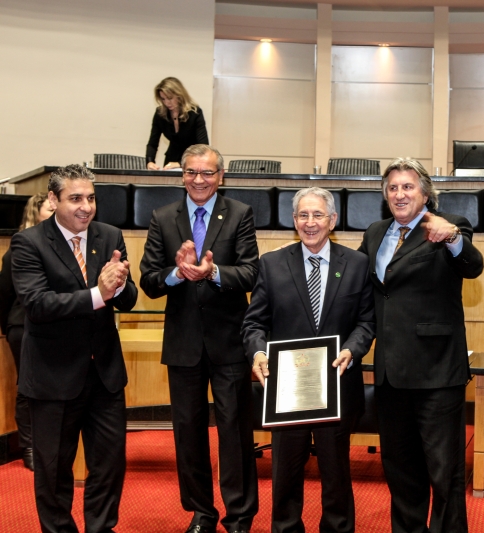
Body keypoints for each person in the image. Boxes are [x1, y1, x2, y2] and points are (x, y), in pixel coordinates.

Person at [357, 157, 484, 533]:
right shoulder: (375, 232)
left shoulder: (450, 226)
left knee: (444, 473)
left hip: (436, 371)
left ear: (426, 193)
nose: (400, 194)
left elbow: (473, 265)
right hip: (390, 373)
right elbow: (363, 292)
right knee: (401, 470)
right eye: (393, 188)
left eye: (408, 187)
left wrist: (454, 239)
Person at [139, 144, 259, 533]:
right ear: (182, 176)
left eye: (207, 173)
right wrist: (176, 274)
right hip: (183, 343)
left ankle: (239, 515)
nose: (199, 180)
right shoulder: (162, 218)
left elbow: (251, 274)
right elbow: (149, 281)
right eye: (191, 172)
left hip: (229, 343)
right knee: (187, 433)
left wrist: (212, 273)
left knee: (235, 432)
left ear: (221, 176)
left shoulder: (240, 214)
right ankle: (201, 512)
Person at [10, 165, 137, 533]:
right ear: (53, 199)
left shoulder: (109, 234)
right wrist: (100, 293)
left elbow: (127, 300)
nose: (86, 207)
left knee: (109, 465)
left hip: (105, 375)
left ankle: (101, 528)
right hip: (53, 377)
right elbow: (38, 305)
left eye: (91, 198)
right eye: (75, 198)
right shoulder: (29, 243)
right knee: (53, 470)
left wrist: (120, 284)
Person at [241, 187, 375, 533]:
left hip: (337, 384)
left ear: (333, 220)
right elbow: (254, 322)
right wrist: (257, 351)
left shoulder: (357, 264)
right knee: (285, 472)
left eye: (318, 215)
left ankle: (338, 528)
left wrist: (353, 348)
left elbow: (366, 321)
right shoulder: (271, 264)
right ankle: (285, 528)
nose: (310, 223)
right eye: (303, 215)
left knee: (336, 472)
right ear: (293, 220)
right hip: (287, 391)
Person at [0, 192, 53, 471]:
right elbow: (5, 295)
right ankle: (29, 446)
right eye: (50, 207)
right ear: (36, 213)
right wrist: (7, 328)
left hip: (55, 325)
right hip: (23, 326)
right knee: (27, 388)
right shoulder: (18, 249)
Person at [146, 77, 209, 170]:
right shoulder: (160, 114)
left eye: (170, 98)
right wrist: (150, 161)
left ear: (179, 96)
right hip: (170, 161)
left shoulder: (195, 113)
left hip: (193, 162)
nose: (167, 102)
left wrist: (180, 164)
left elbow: (203, 147)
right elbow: (152, 143)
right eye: (163, 99)